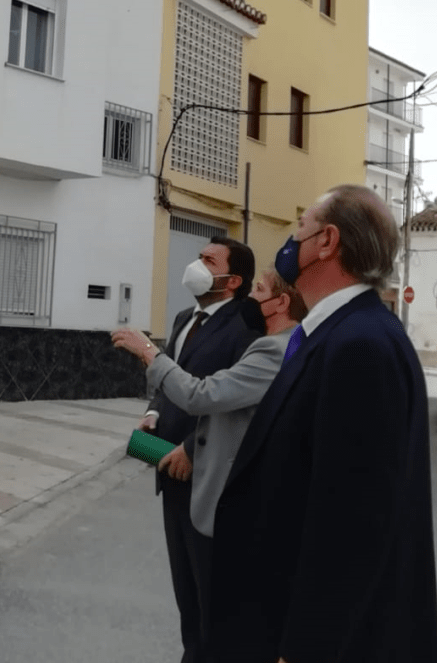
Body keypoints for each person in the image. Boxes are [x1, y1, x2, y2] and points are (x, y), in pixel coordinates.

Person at [209, 185, 437, 663]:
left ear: (327, 241)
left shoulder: (360, 346)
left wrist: (304, 648)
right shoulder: (337, 333)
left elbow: (353, 522)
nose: (290, 242)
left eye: (299, 228)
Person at [113, 268, 306, 657]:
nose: (252, 297)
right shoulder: (192, 320)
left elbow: (206, 395)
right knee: (196, 609)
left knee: (215, 618)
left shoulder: (273, 348)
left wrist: (150, 353)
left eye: (260, 291)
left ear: (281, 302)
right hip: (191, 475)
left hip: (219, 494)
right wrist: (155, 416)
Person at [136, 237, 261, 663]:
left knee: (211, 591)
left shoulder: (245, 330)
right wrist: (153, 416)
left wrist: (191, 447)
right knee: (185, 591)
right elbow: (168, 376)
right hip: (165, 466)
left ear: (232, 280)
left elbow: (229, 400)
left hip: (204, 472)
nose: (197, 265)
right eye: (200, 257)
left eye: (209, 260)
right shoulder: (184, 318)